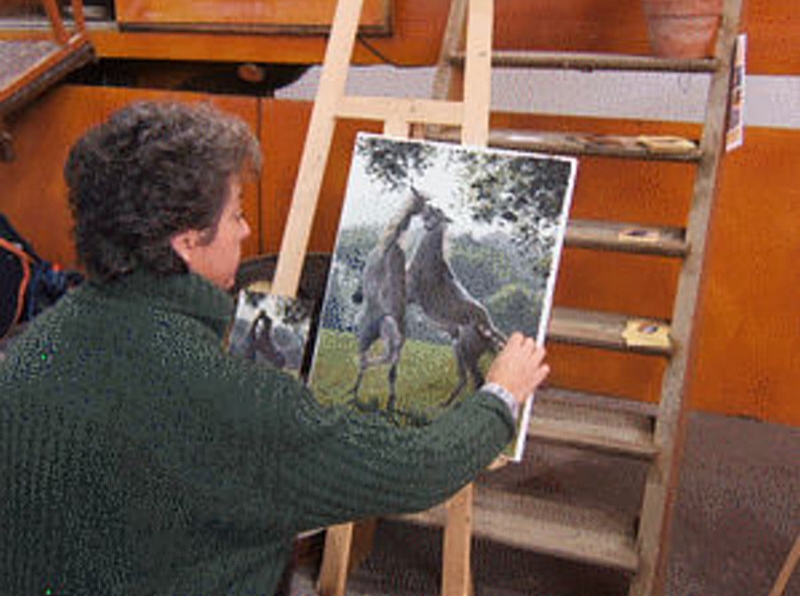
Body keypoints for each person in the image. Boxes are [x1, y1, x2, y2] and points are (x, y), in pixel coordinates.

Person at [0, 101, 550, 596]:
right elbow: (414, 470)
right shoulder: (233, 403)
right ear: (187, 240)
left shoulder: (30, 351)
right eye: (236, 214)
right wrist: (501, 394)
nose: (245, 231)